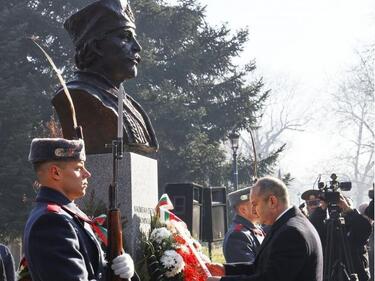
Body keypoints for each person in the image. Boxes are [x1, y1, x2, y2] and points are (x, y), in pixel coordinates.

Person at [52, 0, 158, 155]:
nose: (137, 47)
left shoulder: (128, 102)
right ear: (96, 46)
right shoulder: (76, 95)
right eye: (125, 37)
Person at [24, 138, 137, 281]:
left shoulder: (68, 214)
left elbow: (94, 270)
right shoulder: (51, 221)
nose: (87, 174)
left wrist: (119, 270)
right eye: (78, 168)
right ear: (55, 173)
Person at [206, 176, 323, 281]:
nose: (253, 210)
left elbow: (269, 278)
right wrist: (225, 270)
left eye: (255, 204)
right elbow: (261, 267)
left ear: (272, 201)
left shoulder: (291, 232)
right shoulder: (286, 224)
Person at [309, 193, 372, 281]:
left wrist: (349, 210)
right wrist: (322, 209)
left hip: (355, 273)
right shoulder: (329, 225)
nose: (340, 208)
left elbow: (365, 228)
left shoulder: (354, 224)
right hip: (331, 273)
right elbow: (313, 230)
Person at [223, 186, 264, 263]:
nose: (261, 206)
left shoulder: (256, 228)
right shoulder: (237, 236)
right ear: (243, 210)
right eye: (254, 204)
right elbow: (249, 271)